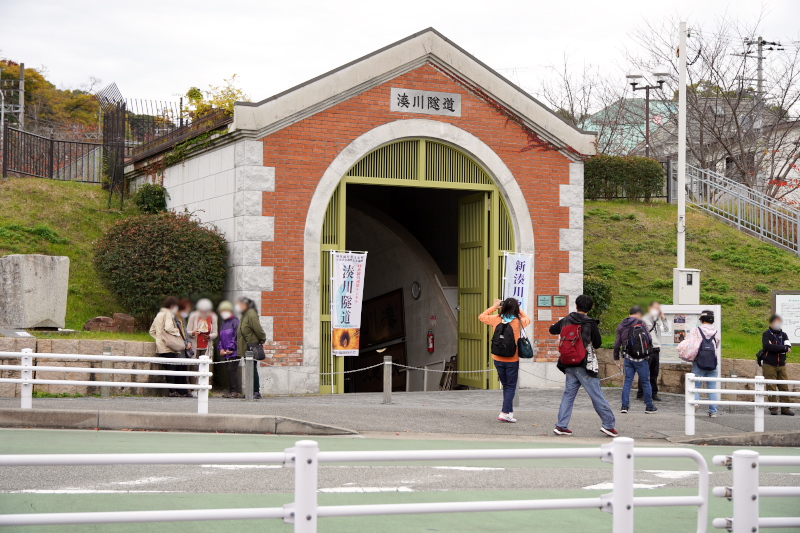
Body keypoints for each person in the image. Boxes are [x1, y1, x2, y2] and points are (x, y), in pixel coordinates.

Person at [549, 294, 618, 437]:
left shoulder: (566, 320)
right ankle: (609, 425)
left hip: (568, 363)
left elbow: (552, 330)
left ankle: (561, 425)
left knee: (568, 395)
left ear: (576, 306)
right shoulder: (590, 322)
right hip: (584, 364)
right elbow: (598, 344)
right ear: (590, 308)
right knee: (596, 394)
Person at [479, 298, 531, 423]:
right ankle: (505, 412)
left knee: (506, 386)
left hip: (497, 358)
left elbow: (481, 316)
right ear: (515, 309)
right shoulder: (519, 321)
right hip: (512, 358)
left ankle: (509, 412)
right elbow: (528, 318)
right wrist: (519, 309)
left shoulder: (496, 319)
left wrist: (495, 306)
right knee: (510, 386)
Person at [614, 306, 657, 414]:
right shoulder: (642, 323)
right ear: (638, 313)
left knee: (628, 382)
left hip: (628, 358)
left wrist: (616, 359)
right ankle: (649, 406)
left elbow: (617, 344)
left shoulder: (621, 325)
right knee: (646, 382)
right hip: (642, 359)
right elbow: (649, 338)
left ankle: (624, 406)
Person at [149, 296, 190, 397]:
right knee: (172, 369)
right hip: (169, 346)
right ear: (172, 306)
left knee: (168, 368)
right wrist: (177, 333)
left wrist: (160, 338)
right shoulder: (168, 313)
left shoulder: (159, 314)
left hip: (161, 347)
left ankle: (173, 390)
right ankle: (172, 391)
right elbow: (169, 327)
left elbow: (152, 331)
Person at [685, 310, 721, 417]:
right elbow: (717, 345)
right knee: (712, 387)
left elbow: (691, 344)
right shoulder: (716, 332)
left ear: (702, 320)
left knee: (696, 386)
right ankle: (713, 411)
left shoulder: (696, 330)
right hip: (713, 362)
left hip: (699, 362)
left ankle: (695, 403)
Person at [761, 314, 795, 416]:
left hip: (782, 365)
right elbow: (768, 347)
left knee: (784, 386)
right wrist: (783, 348)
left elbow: (788, 347)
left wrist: (780, 347)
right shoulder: (766, 334)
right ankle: (773, 408)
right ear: (771, 323)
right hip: (769, 364)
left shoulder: (783, 334)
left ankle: (785, 408)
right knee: (771, 386)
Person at [638, 301, 668, 402]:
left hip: (656, 349)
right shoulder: (644, 319)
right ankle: (641, 392)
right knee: (644, 372)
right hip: (647, 349)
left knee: (654, 373)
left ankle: (654, 393)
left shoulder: (659, 319)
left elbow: (666, 330)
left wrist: (663, 317)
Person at [237, 297, 266, 400]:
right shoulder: (245, 315)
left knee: (252, 369)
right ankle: (250, 391)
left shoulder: (251, 314)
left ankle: (255, 391)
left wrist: (262, 340)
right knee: (249, 369)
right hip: (246, 346)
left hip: (251, 346)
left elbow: (258, 330)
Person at [217, 300, 241, 398]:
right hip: (226, 352)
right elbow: (221, 338)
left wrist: (231, 347)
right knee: (229, 370)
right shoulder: (224, 323)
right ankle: (232, 390)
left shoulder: (235, 322)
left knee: (231, 370)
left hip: (234, 352)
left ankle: (235, 391)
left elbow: (236, 336)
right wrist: (221, 349)